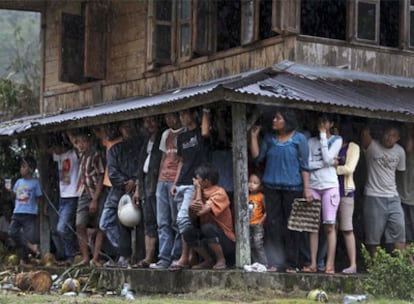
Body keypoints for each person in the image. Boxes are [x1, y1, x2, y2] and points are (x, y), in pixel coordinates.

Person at [250, 108, 312, 273]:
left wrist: (307, 189)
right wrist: (254, 137)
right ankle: (276, 263)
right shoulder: (270, 139)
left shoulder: (300, 139)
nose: (274, 121)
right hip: (272, 188)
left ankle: (292, 264)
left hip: (294, 188)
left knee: (293, 226)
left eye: (277, 118)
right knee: (274, 225)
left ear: (287, 120)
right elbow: (258, 157)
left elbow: (305, 167)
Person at [168, 108, 208, 271]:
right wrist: (174, 183)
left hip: (194, 182)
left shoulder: (200, 133)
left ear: (193, 115)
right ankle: (190, 255)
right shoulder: (181, 137)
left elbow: (205, 132)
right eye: (180, 114)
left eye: (184, 113)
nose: (181, 117)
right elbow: (181, 162)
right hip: (182, 182)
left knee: (183, 219)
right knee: (185, 222)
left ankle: (186, 257)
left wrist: (205, 111)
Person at [361, 122, 406, 257]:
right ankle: (375, 269)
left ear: (398, 138)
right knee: (373, 237)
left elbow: (399, 173)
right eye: (387, 134)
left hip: (393, 196)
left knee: (399, 230)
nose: (388, 138)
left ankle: (402, 267)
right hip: (373, 195)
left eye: (393, 136)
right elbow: (364, 134)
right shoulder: (372, 146)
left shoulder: (400, 151)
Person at [99, 121, 140, 268]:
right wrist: (125, 183)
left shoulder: (139, 147)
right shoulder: (114, 150)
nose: (128, 130)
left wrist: (135, 181)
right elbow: (112, 173)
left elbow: (143, 168)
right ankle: (123, 253)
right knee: (106, 222)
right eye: (125, 127)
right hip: (117, 191)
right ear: (121, 130)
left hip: (138, 189)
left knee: (134, 223)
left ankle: (128, 256)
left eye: (130, 127)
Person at [305, 114, 342, 274]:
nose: (322, 124)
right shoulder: (310, 142)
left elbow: (327, 158)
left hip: (330, 186)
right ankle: (313, 263)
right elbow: (308, 163)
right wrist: (328, 163)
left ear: (331, 123)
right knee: (313, 226)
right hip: (314, 185)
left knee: (329, 226)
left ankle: (329, 264)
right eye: (320, 121)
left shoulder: (337, 140)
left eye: (326, 121)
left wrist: (322, 136)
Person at [150, 113, 184, 269]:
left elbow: (182, 161)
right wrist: (159, 180)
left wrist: (175, 183)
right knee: (162, 222)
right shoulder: (166, 134)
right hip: (163, 181)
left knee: (175, 221)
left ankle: (176, 256)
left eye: (172, 117)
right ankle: (163, 258)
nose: (169, 120)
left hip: (174, 181)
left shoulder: (184, 134)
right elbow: (164, 157)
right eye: (166, 118)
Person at [185, 163, 235, 269]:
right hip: (208, 239)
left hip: (225, 240)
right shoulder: (200, 192)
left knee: (207, 227)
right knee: (188, 231)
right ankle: (208, 260)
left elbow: (201, 211)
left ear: (206, 181)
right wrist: (190, 208)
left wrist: (198, 190)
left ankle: (221, 260)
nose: (195, 182)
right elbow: (193, 218)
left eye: (198, 179)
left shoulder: (219, 193)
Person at [133, 116, 163, 268]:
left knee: (162, 221)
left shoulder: (162, 138)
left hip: (157, 184)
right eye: (147, 121)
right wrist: (138, 189)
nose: (149, 124)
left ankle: (164, 257)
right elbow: (140, 169)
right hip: (146, 185)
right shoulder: (147, 141)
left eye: (152, 120)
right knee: (149, 222)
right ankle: (148, 258)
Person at [74, 129, 106, 267]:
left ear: (89, 142)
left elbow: (101, 178)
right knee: (79, 225)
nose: (81, 145)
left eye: (84, 142)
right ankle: (86, 257)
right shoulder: (81, 157)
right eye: (78, 142)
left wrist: (95, 199)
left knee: (100, 226)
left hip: (95, 193)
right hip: (84, 192)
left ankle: (96, 257)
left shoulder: (96, 156)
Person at [50, 132, 79, 266]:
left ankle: (71, 254)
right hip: (63, 197)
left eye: (55, 147)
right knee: (63, 228)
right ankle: (70, 256)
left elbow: (77, 146)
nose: (53, 150)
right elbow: (46, 150)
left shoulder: (73, 154)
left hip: (73, 195)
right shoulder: (58, 156)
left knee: (62, 228)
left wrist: (68, 132)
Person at [8, 157, 42, 267]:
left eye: (24, 167)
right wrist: (9, 191)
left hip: (29, 213)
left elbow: (38, 198)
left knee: (28, 236)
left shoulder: (35, 183)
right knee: (12, 232)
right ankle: (32, 246)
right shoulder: (18, 182)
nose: (21, 169)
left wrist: (38, 211)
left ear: (30, 169)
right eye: (21, 167)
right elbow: (15, 195)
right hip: (17, 211)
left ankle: (23, 261)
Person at [335, 122, 360, 274]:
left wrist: (333, 168)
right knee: (330, 227)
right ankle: (326, 263)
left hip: (345, 191)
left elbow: (350, 168)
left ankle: (353, 264)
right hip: (330, 189)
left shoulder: (353, 147)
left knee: (347, 228)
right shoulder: (332, 145)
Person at [247, 172, 268, 266]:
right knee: (250, 245)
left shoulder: (261, 196)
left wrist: (261, 221)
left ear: (260, 186)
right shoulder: (245, 196)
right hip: (248, 224)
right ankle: (255, 263)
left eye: (255, 183)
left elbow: (267, 211)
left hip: (257, 224)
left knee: (257, 244)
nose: (251, 184)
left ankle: (264, 263)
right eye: (250, 182)